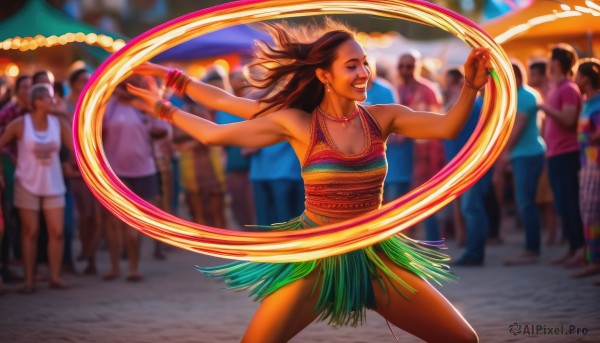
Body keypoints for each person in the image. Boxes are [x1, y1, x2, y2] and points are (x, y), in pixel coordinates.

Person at [128, 20, 489, 342]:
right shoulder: (299, 123)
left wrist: (472, 85)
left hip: (375, 254)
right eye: (352, 65)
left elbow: (447, 126)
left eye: (365, 62)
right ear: (324, 76)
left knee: (462, 338)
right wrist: (166, 101)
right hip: (316, 257)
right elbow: (214, 131)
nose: (364, 71)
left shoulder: (384, 117)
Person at [0, 83, 73, 293]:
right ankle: (29, 281)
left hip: (54, 183)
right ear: (37, 101)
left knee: (57, 232)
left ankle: (55, 277)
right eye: (49, 98)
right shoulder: (20, 124)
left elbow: (77, 148)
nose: (53, 101)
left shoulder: (59, 124)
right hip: (28, 183)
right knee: (30, 232)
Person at [539, 44, 586, 266]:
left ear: (556, 63)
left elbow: (569, 120)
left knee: (570, 203)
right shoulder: (556, 88)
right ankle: (572, 248)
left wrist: (544, 108)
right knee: (562, 204)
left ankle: (580, 249)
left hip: (567, 153)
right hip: (556, 154)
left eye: (550, 60)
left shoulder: (568, 89)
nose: (548, 65)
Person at [502, 61, 546, 266]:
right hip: (525, 154)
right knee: (525, 202)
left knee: (526, 202)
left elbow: (517, 128)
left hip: (527, 154)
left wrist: (505, 152)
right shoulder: (523, 95)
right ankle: (531, 247)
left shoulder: (524, 96)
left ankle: (532, 249)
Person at [571, 58, 600, 279]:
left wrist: (589, 138)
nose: (575, 79)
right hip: (587, 165)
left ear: (587, 80)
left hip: (596, 167)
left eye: (578, 75)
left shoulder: (597, 104)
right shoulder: (588, 103)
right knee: (588, 213)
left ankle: (596, 261)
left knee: (593, 215)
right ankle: (591, 257)